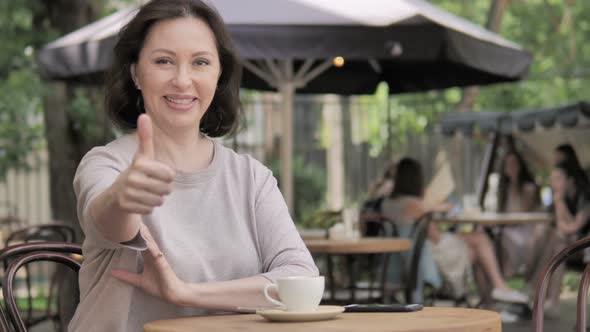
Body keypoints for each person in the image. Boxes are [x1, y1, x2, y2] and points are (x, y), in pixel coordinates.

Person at [68, 1, 318, 331]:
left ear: (218, 76)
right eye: (163, 61)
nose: (183, 81)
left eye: (200, 62)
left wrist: (189, 294)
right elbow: (109, 222)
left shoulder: (251, 177)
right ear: (135, 74)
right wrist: (121, 198)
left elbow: (300, 276)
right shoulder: (107, 164)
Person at [380, 158, 529, 306]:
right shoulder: (414, 204)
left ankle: (492, 298)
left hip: (405, 258)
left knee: (478, 244)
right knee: (480, 243)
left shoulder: (388, 204)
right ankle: (496, 291)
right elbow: (435, 236)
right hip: (423, 258)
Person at [526, 161, 590, 312]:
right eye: (552, 179)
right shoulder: (558, 197)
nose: (554, 184)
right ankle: (550, 299)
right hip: (567, 244)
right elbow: (548, 219)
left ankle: (534, 286)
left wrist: (559, 202)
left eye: (558, 179)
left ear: (570, 181)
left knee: (558, 236)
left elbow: (572, 228)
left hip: (585, 246)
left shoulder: (585, 198)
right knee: (552, 239)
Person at [496, 149, 540, 277]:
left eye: (514, 163)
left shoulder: (529, 188)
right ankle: (504, 276)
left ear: (520, 165)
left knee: (503, 237)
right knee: (496, 237)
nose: (511, 167)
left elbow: (521, 215)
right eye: (507, 164)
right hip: (509, 229)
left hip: (526, 230)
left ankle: (509, 272)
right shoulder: (503, 190)